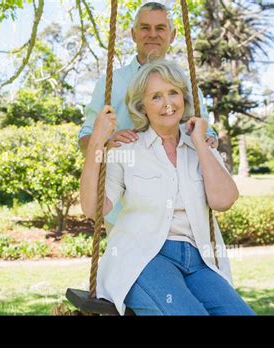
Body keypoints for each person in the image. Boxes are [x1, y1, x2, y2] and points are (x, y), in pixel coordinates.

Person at [79, 60, 256, 316]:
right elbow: (93, 209)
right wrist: (97, 142)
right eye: (156, 96)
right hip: (143, 260)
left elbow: (224, 200)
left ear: (184, 97)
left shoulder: (201, 145)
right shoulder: (127, 150)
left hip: (199, 262)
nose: (168, 103)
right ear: (143, 106)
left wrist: (200, 144)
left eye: (173, 92)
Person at [78, 2, 218, 232]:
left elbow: (208, 134)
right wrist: (106, 145)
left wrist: (210, 141)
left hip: (181, 215)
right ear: (133, 34)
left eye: (160, 28)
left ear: (172, 35)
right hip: (122, 211)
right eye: (145, 28)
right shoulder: (110, 84)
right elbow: (86, 137)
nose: (152, 34)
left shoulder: (187, 84)